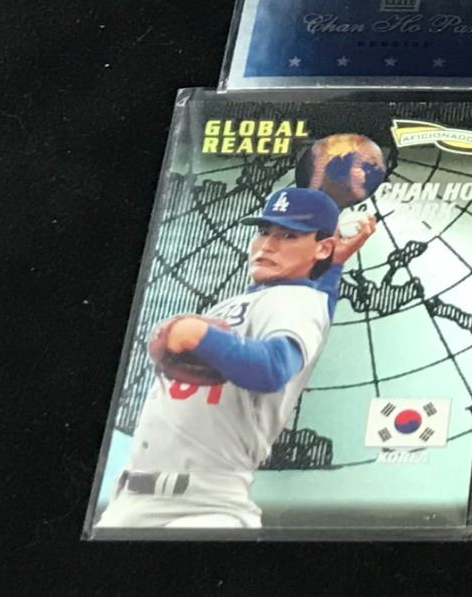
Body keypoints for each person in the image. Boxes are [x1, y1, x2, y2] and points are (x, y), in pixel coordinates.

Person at [95, 187, 376, 529]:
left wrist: (200, 336)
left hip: (203, 507)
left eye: (289, 235)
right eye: (264, 232)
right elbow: (317, 308)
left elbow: (272, 368)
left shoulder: (296, 301)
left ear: (323, 246)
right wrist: (332, 267)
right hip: (130, 502)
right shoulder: (258, 302)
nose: (268, 245)